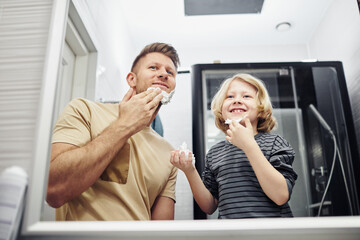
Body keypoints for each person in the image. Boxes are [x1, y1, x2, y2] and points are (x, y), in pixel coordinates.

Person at [46, 42, 180, 221]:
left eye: (170, 72)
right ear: (132, 79)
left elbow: (162, 230)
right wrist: (125, 125)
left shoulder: (169, 153)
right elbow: (53, 190)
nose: (163, 74)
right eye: (153, 67)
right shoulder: (84, 110)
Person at [171, 73, 298, 218]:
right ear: (221, 110)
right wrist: (190, 171)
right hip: (231, 234)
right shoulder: (214, 153)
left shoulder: (275, 143)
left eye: (246, 96)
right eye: (230, 97)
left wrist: (249, 145)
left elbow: (280, 195)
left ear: (261, 110)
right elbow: (209, 206)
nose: (237, 100)